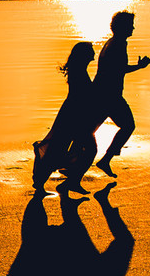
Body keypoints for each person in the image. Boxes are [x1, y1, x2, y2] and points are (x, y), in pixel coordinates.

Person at [32, 41, 102, 194]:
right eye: (90, 51)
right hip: (74, 116)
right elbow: (82, 95)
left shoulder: (79, 69)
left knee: (59, 148)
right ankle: (69, 182)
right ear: (84, 55)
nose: (94, 53)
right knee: (87, 149)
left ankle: (44, 181)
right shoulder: (78, 71)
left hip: (73, 113)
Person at [94, 11, 150, 177]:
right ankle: (104, 160)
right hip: (109, 95)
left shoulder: (113, 42)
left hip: (103, 92)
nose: (133, 28)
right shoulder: (117, 44)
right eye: (130, 25)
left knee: (88, 130)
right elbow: (118, 69)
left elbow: (116, 68)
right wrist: (139, 67)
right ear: (123, 27)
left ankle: (73, 163)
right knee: (128, 126)